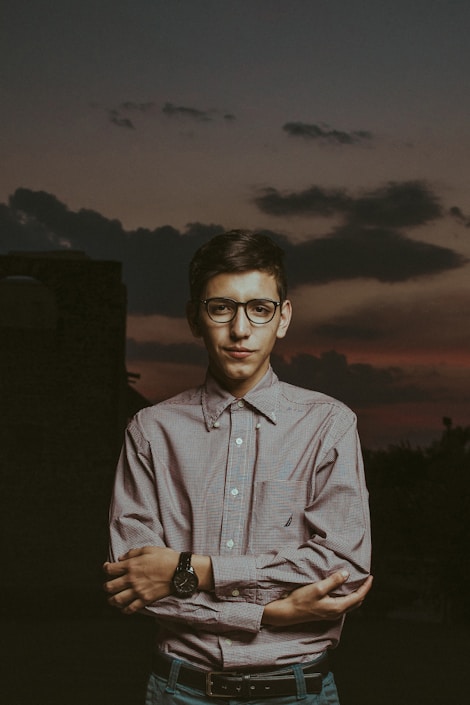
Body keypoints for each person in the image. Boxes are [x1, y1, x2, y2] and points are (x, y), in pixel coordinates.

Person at [104, 230, 372, 704]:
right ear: (194, 318)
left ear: (283, 317)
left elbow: (341, 569)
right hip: (179, 691)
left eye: (259, 309)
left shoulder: (330, 424)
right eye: (221, 308)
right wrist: (273, 614)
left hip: (297, 693)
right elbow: (136, 584)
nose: (241, 330)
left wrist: (192, 569)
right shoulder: (150, 431)